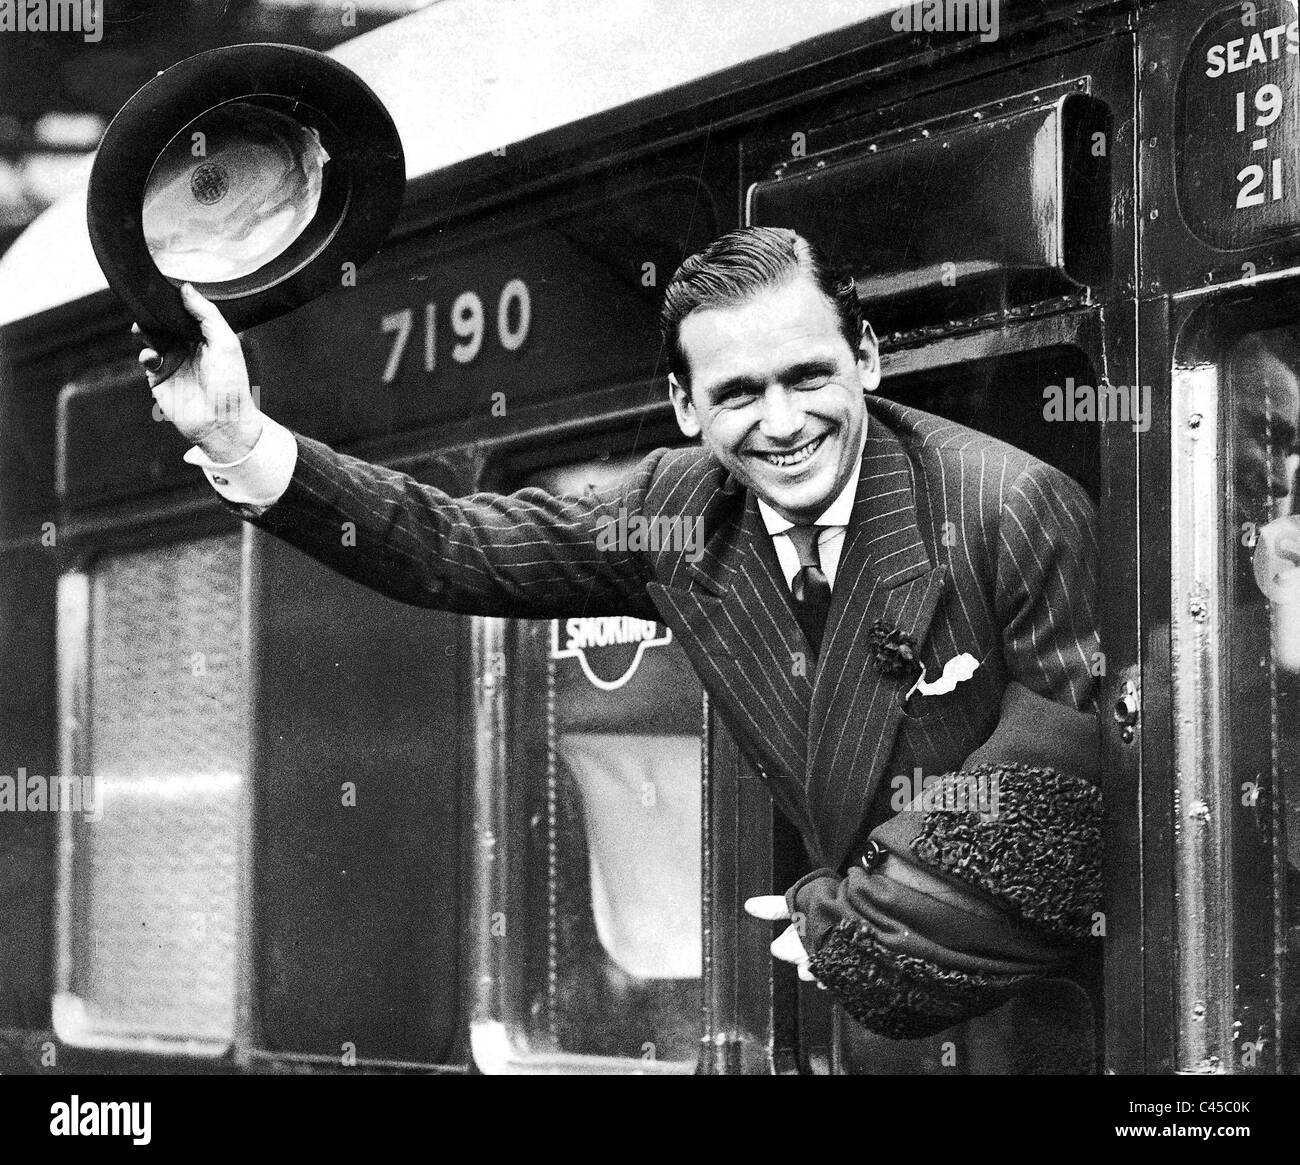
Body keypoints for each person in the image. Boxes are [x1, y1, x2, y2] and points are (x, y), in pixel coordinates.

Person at [138, 226, 1102, 1052]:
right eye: (738, 393)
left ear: (870, 362)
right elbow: (453, 546)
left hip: (1057, 1027)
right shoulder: (677, 511)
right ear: (686, 410)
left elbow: (1069, 788)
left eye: (811, 376)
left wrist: (854, 932)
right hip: (869, 1037)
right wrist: (235, 435)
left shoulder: (1008, 507)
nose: (783, 423)